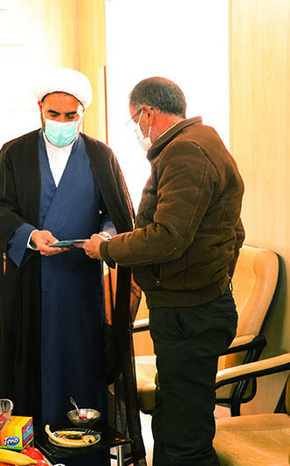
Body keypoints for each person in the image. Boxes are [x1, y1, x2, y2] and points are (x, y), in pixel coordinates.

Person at [84, 77, 245, 465]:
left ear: (148, 112)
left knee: (184, 438)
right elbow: (234, 233)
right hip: (192, 308)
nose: (137, 129)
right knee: (173, 424)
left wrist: (106, 248)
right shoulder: (202, 142)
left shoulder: (185, 152)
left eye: (135, 119)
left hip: (190, 315)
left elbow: (167, 237)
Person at [0, 68, 145, 465]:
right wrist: (30, 235)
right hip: (29, 285)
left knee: (80, 367)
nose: (61, 122)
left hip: (80, 286)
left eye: (70, 115)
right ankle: (29, 456)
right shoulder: (14, 153)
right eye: (53, 114)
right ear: (40, 109)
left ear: (82, 113)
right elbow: (0, 210)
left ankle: (84, 458)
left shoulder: (100, 155)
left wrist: (105, 238)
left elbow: (118, 214)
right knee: (30, 372)